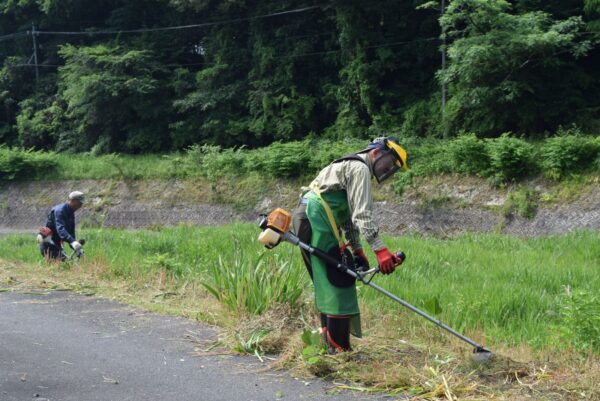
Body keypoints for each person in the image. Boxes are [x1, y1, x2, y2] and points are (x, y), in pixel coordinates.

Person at [291, 137, 408, 353]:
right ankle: (339, 351)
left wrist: (358, 250)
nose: (389, 169)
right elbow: (362, 215)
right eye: (390, 162)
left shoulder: (351, 165)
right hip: (316, 220)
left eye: (394, 167)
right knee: (338, 282)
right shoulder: (360, 168)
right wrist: (381, 251)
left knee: (331, 280)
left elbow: (349, 217)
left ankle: (330, 347)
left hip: (309, 218)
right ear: (376, 152)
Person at [38, 191, 85, 261]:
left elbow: (71, 233)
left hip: (57, 245)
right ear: (73, 200)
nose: (81, 205)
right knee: (64, 264)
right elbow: (60, 229)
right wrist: (72, 242)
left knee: (67, 263)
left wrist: (76, 247)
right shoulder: (60, 211)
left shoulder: (71, 213)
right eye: (79, 202)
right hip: (49, 245)